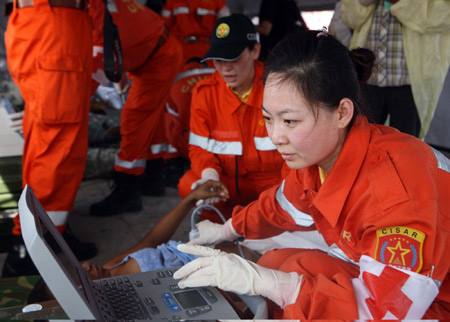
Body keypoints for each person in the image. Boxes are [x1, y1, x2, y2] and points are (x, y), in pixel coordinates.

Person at [172, 30, 450, 320]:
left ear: (342, 113)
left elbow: (387, 310)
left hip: (435, 304)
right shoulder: (319, 156)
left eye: (290, 121)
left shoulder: (396, 194)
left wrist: (278, 286)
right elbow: (281, 208)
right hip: (382, 275)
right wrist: (227, 229)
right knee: (278, 262)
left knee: (286, 286)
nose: (276, 136)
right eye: (268, 118)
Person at [2, 0, 97, 277]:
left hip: (60, 24)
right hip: (53, 24)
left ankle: (53, 233)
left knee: (57, 142)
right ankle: (28, 248)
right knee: (55, 143)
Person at [177, 14, 287, 222]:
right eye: (219, 59)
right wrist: (209, 175)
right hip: (229, 186)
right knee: (188, 183)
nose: (225, 68)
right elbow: (199, 148)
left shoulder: (280, 88)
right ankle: (224, 223)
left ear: (255, 51)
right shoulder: (205, 93)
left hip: (276, 185)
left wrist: (286, 193)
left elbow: (299, 152)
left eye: (233, 58)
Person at [88, 0, 184, 216]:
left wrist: (76, 101)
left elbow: (96, 62)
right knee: (152, 118)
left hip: (157, 57)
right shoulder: (98, 5)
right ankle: (152, 179)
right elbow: (119, 37)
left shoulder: (93, 10)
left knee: (134, 119)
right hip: (153, 52)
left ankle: (126, 192)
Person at [341, 0, 450, 138]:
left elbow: (443, 16)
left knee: (406, 144)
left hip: (410, 80)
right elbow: (349, 18)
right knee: (359, 138)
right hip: (368, 76)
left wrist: (399, 2)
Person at [82, 180, 230, 279]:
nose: (86, 265)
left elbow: (151, 241)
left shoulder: (109, 268)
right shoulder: (128, 301)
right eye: (79, 277)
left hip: (197, 252)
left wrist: (191, 198)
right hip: (211, 274)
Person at [163, 58, 215, 187]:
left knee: (168, 117)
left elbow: (172, 126)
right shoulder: (219, 79)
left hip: (187, 145)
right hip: (221, 148)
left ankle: (173, 166)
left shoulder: (176, 83)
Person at [161, 0, 229, 64]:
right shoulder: (172, 1)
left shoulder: (217, 1)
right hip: (181, 50)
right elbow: (163, 28)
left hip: (207, 50)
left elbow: (227, 26)